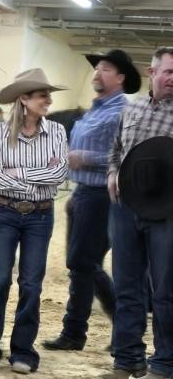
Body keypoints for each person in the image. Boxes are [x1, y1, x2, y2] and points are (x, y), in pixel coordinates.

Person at [0, 68, 69, 374]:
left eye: (48, 95)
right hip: (5, 214)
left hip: (40, 216)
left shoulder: (57, 132)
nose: (48, 100)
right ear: (24, 99)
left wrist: (18, 173)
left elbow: (59, 173)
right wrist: (37, 177)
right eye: (43, 95)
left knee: (31, 284)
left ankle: (23, 351)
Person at [43, 49, 139, 353]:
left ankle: (83, 331)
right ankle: (90, 330)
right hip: (82, 193)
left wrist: (85, 158)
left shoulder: (123, 112)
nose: (98, 72)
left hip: (101, 196)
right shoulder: (93, 111)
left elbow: (129, 156)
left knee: (83, 263)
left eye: (106, 69)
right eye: (97, 68)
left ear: (121, 78)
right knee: (82, 265)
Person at [107, 47, 173, 379]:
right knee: (126, 286)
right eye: (169, 71)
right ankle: (127, 359)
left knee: (166, 290)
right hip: (126, 206)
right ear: (152, 72)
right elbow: (116, 149)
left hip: (167, 211)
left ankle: (164, 364)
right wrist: (111, 172)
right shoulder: (130, 109)